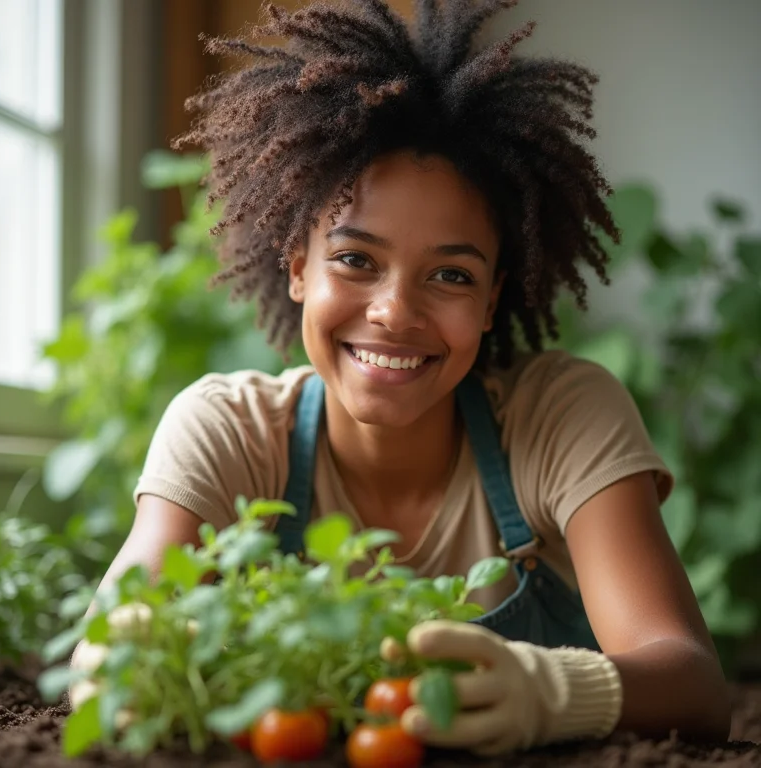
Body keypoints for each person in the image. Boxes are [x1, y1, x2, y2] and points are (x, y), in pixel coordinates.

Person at [72, 0, 731, 755]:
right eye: (356, 259)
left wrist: (551, 691)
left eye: (450, 274)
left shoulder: (561, 416)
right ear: (297, 270)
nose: (394, 312)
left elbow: (694, 684)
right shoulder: (229, 432)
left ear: (491, 301)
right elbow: (107, 654)